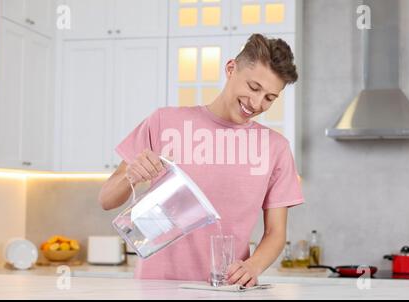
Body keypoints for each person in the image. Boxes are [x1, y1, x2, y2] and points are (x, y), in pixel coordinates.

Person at [98, 33, 304, 287]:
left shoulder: (276, 148)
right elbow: (106, 200)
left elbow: (275, 233)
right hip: (156, 286)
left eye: (270, 98)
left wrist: (252, 266)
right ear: (231, 69)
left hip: (224, 290)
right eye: (253, 87)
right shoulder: (164, 122)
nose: (257, 103)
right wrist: (133, 175)